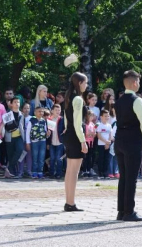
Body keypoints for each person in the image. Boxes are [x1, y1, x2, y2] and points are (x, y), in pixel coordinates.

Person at [114, 70, 142, 221]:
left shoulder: (119, 100)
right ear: (135, 82)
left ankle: (121, 211)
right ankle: (129, 211)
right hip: (133, 140)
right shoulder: (137, 100)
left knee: (123, 177)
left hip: (119, 139)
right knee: (131, 178)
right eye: (139, 82)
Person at [63, 72, 89, 212]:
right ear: (79, 83)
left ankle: (69, 201)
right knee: (74, 171)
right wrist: (83, 141)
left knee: (69, 170)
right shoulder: (78, 99)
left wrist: (66, 129)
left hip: (69, 134)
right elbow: (78, 123)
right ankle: (71, 203)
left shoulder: (68, 96)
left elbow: (66, 117)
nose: (87, 85)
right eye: (85, 82)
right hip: (75, 136)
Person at [3, 98, 27, 178]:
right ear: (11, 104)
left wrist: (24, 139)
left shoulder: (21, 114)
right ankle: (11, 172)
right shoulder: (7, 114)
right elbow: (4, 126)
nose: (17, 104)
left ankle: (9, 168)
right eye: (15, 102)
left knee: (19, 150)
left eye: (18, 102)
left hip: (19, 136)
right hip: (9, 137)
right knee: (10, 155)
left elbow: (22, 127)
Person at [48, 104, 65, 179]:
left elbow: (65, 129)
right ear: (52, 111)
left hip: (60, 142)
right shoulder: (49, 119)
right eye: (56, 110)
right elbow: (48, 132)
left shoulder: (62, 119)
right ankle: (51, 173)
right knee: (52, 158)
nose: (58, 111)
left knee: (59, 158)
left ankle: (59, 173)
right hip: (52, 142)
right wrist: (48, 142)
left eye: (59, 110)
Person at [96, 110, 114, 179]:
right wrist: (105, 142)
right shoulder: (100, 125)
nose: (107, 117)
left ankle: (105, 173)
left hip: (107, 145)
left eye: (108, 116)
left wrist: (108, 143)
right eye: (105, 116)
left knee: (106, 159)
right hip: (101, 145)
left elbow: (110, 135)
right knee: (101, 159)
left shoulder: (109, 126)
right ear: (101, 117)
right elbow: (99, 136)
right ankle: (100, 173)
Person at [82, 111, 97, 177]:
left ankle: (89, 169)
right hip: (86, 142)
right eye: (91, 115)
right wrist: (88, 134)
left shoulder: (93, 124)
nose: (92, 117)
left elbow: (94, 133)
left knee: (90, 156)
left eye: (92, 116)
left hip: (91, 142)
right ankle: (84, 170)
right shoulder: (84, 124)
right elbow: (84, 133)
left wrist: (93, 134)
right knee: (85, 156)